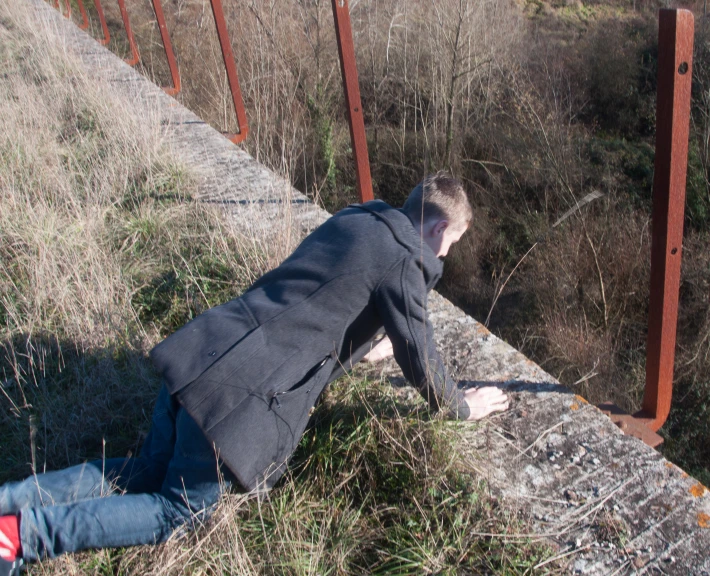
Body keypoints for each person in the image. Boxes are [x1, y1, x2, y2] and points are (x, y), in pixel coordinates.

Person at [0, 172, 509, 574]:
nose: (444, 254)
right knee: (181, 511)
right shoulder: (405, 262)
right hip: (234, 398)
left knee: (148, 468)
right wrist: (461, 407)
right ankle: (24, 537)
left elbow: (317, 301)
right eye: (452, 243)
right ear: (440, 228)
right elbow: (422, 357)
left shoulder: (360, 218)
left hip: (204, 349)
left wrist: (363, 352)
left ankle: (10, 502)